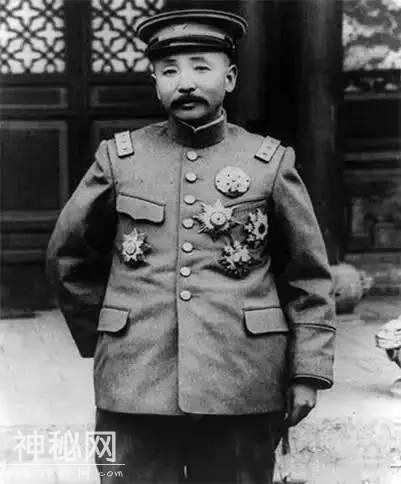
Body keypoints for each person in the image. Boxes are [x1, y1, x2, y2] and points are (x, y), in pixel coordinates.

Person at [47, 8, 336, 484]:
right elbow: (68, 257)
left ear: (231, 77)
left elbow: (307, 275)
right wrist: (113, 334)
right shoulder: (120, 159)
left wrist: (308, 370)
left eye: (201, 68)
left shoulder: (268, 162)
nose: (185, 83)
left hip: (241, 382)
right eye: (169, 71)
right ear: (155, 83)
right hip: (134, 383)